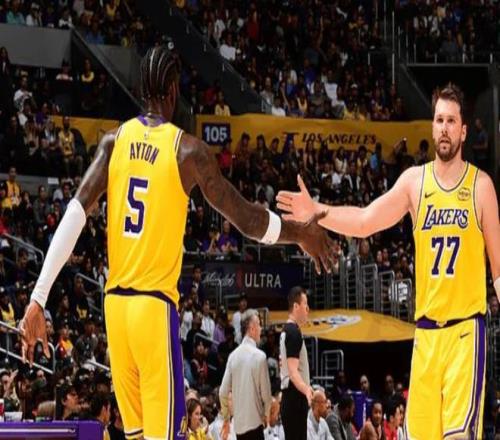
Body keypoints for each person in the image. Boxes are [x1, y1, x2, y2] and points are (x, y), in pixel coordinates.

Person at [20, 44, 335, 440]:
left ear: (142, 90)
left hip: (115, 309)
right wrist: (299, 232)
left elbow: (74, 214)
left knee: (135, 436)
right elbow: (247, 218)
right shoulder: (187, 150)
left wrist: (38, 298)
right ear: (173, 91)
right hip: (152, 308)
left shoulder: (114, 141)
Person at [277, 82, 500, 439]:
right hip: (426, 334)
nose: (444, 128)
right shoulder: (414, 182)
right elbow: (365, 221)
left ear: (463, 130)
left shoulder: (481, 186)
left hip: (465, 333)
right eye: (439, 120)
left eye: (451, 121)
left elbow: (498, 274)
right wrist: (318, 210)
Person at [219, 309, 272, 440]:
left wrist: (226, 418)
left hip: (239, 428)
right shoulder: (260, 356)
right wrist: (266, 414)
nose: (261, 329)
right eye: (259, 325)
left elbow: (223, 392)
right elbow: (266, 395)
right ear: (252, 328)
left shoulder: (232, 356)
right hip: (256, 424)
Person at [280, 286, 312, 440]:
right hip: (295, 398)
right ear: (295, 306)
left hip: (291, 398)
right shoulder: (293, 332)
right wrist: (306, 390)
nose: (308, 309)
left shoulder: (288, 330)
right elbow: (293, 372)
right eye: (305, 304)